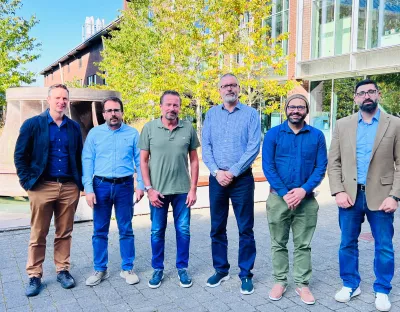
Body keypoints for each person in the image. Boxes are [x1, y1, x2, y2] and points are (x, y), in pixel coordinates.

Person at [328, 79, 400, 312]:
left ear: (378, 94)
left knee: (384, 246)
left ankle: (382, 289)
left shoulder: (395, 124)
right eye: (362, 93)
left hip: (382, 197)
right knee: (347, 243)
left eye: (371, 91)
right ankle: (350, 284)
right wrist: (338, 190)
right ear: (356, 98)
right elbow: (334, 162)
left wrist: (395, 196)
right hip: (349, 196)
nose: (366, 96)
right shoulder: (342, 125)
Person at [14, 84, 83, 297]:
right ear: (48, 100)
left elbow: (79, 156)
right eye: (57, 98)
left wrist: (78, 184)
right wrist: (28, 183)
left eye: (65, 98)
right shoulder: (33, 124)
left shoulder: (73, 127)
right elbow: (20, 155)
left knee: (64, 233)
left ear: (68, 101)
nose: (61, 102)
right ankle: (34, 275)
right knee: (38, 233)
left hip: (68, 187)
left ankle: (63, 270)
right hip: (42, 186)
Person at [262, 94, 327, 305]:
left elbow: (320, 167)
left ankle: (302, 283)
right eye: (292, 107)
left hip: (306, 200)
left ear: (306, 111)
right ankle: (280, 281)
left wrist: (303, 190)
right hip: (278, 199)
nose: (296, 110)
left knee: (303, 245)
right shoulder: (273, 134)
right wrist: (285, 193)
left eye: (300, 107)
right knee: (278, 243)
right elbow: (268, 166)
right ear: (286, 110)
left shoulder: (317, 136)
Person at [202, 73, 260, 295]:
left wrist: (233, 172)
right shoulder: (211, 114)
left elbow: (254, 146)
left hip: (242, 179)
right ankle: (221, 269)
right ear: (219, 90)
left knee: (245, 228)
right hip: (217, 179)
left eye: (233, 85)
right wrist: (217, 172)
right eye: (225, 86)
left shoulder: (251, 114)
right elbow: (206, 146)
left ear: (239, 88)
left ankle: (245, 273)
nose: (229, 89)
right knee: (217, 227)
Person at [139, 90, 200, 289]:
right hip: (157, 191)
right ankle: (157, 269)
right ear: (161, 107)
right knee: (157, 231)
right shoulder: (149, 128)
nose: (172, 109)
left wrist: (193, 189)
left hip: (183, 191)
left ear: (179, 107)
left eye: (176, 105)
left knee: (183, 230)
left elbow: (194, 160)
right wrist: (149, 189)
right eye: (168, 105)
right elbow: (143, 161)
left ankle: (182, 268)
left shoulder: (188, 128)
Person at [82, 97, 144, 286]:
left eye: (116, 110)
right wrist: (88, 188)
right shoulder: (94, 134)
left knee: (126, 228)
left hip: (124, 187)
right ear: (103, 114)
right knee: (100, 230)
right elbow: (87, 161)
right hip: (100, 186)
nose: (113, 114)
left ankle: (127, 268)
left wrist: (140, 185)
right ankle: (100, 269)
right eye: (109, 111)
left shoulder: (133, 134)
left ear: (122, 113)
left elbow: (140, 161)